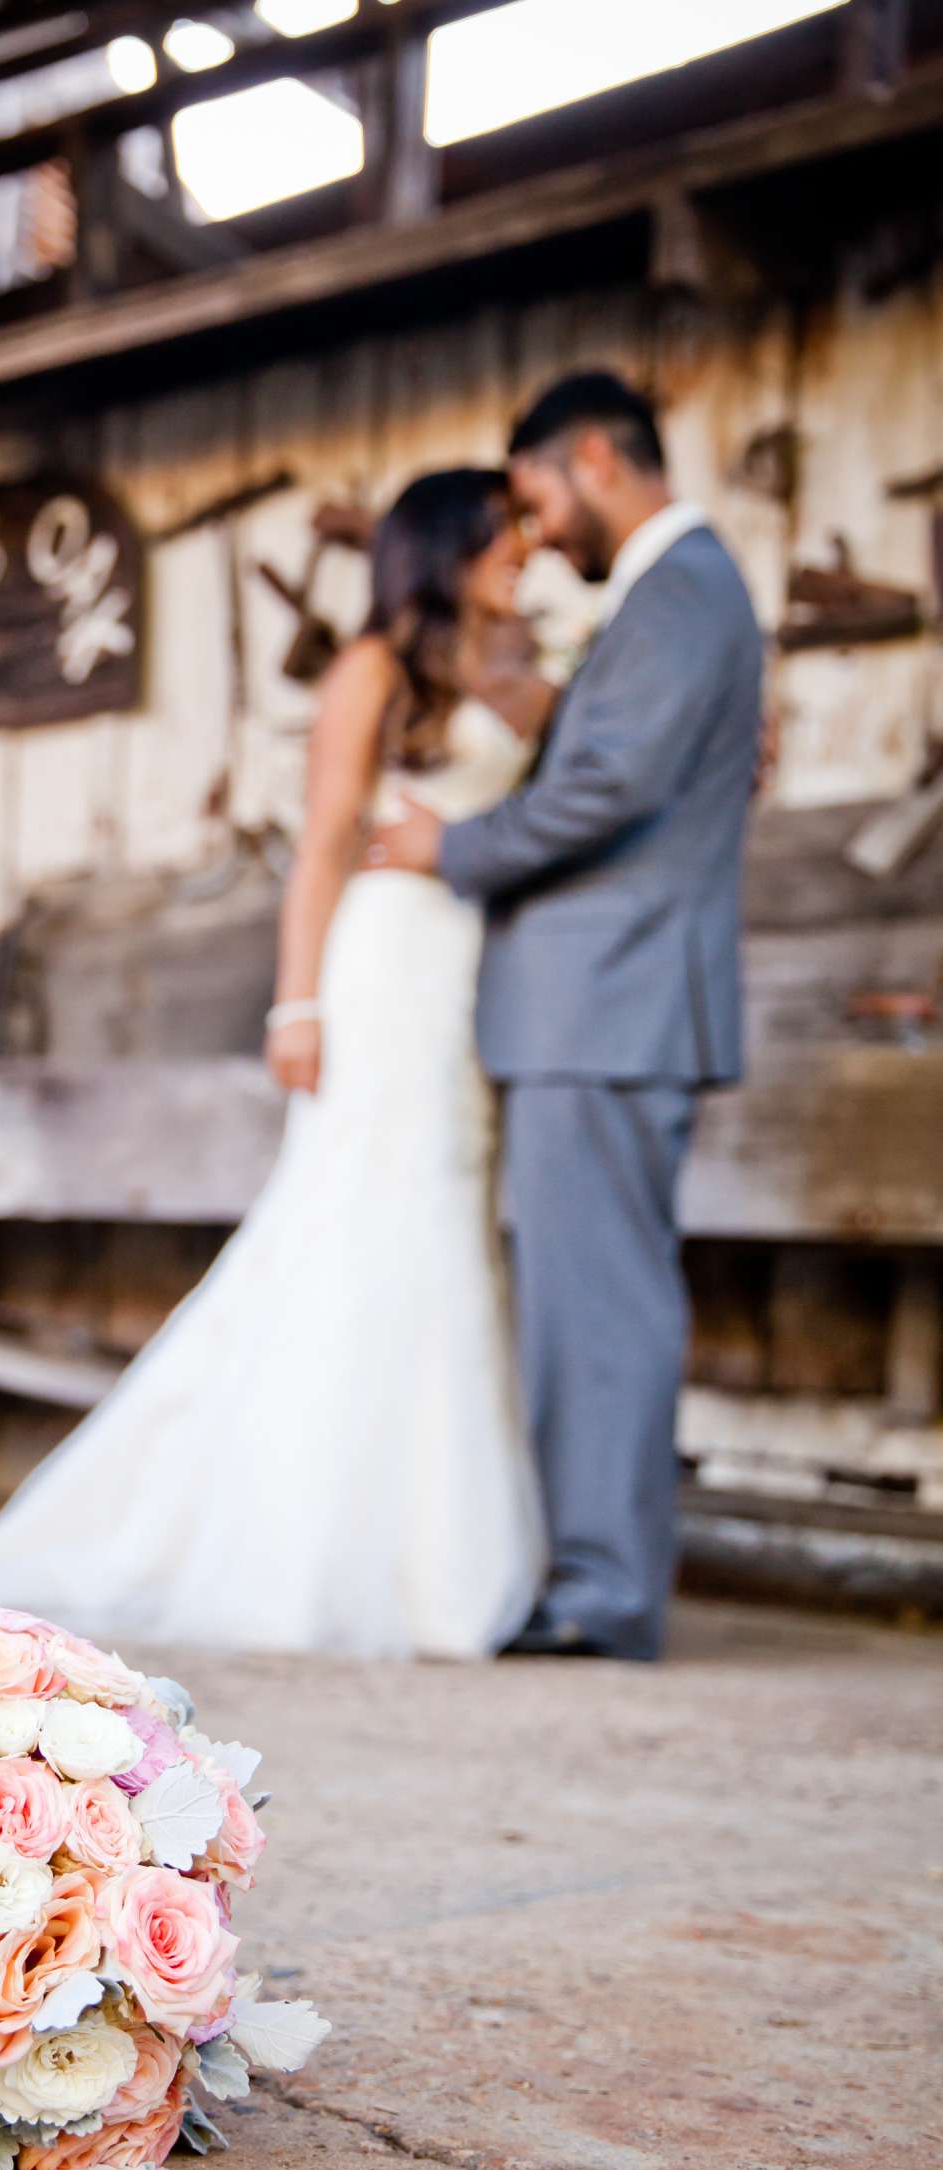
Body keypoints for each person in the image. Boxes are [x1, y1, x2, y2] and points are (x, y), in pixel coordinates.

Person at [0, 469, 559, 1659]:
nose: (527, 550)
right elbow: (324, 847)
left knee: (442, 1213)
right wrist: (297, 1001)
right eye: (506, 533)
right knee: (362, 1217)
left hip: (463, 973)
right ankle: (314, 1548)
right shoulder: (372, 672)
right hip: (384, 963)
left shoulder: (510, 670)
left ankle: (440, 1555)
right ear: (446, 547)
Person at [364, 372, 763, 1661]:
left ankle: (600, 1593)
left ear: (591, 455)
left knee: (600, 1310)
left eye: (533, 490)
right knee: (585, 1302)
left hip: (611, 1002)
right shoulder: (666, 599)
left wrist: (453, 845)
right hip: (597, 1005)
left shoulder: (682, 587)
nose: (535, 527)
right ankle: (586, 1571)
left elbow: (607, 788)